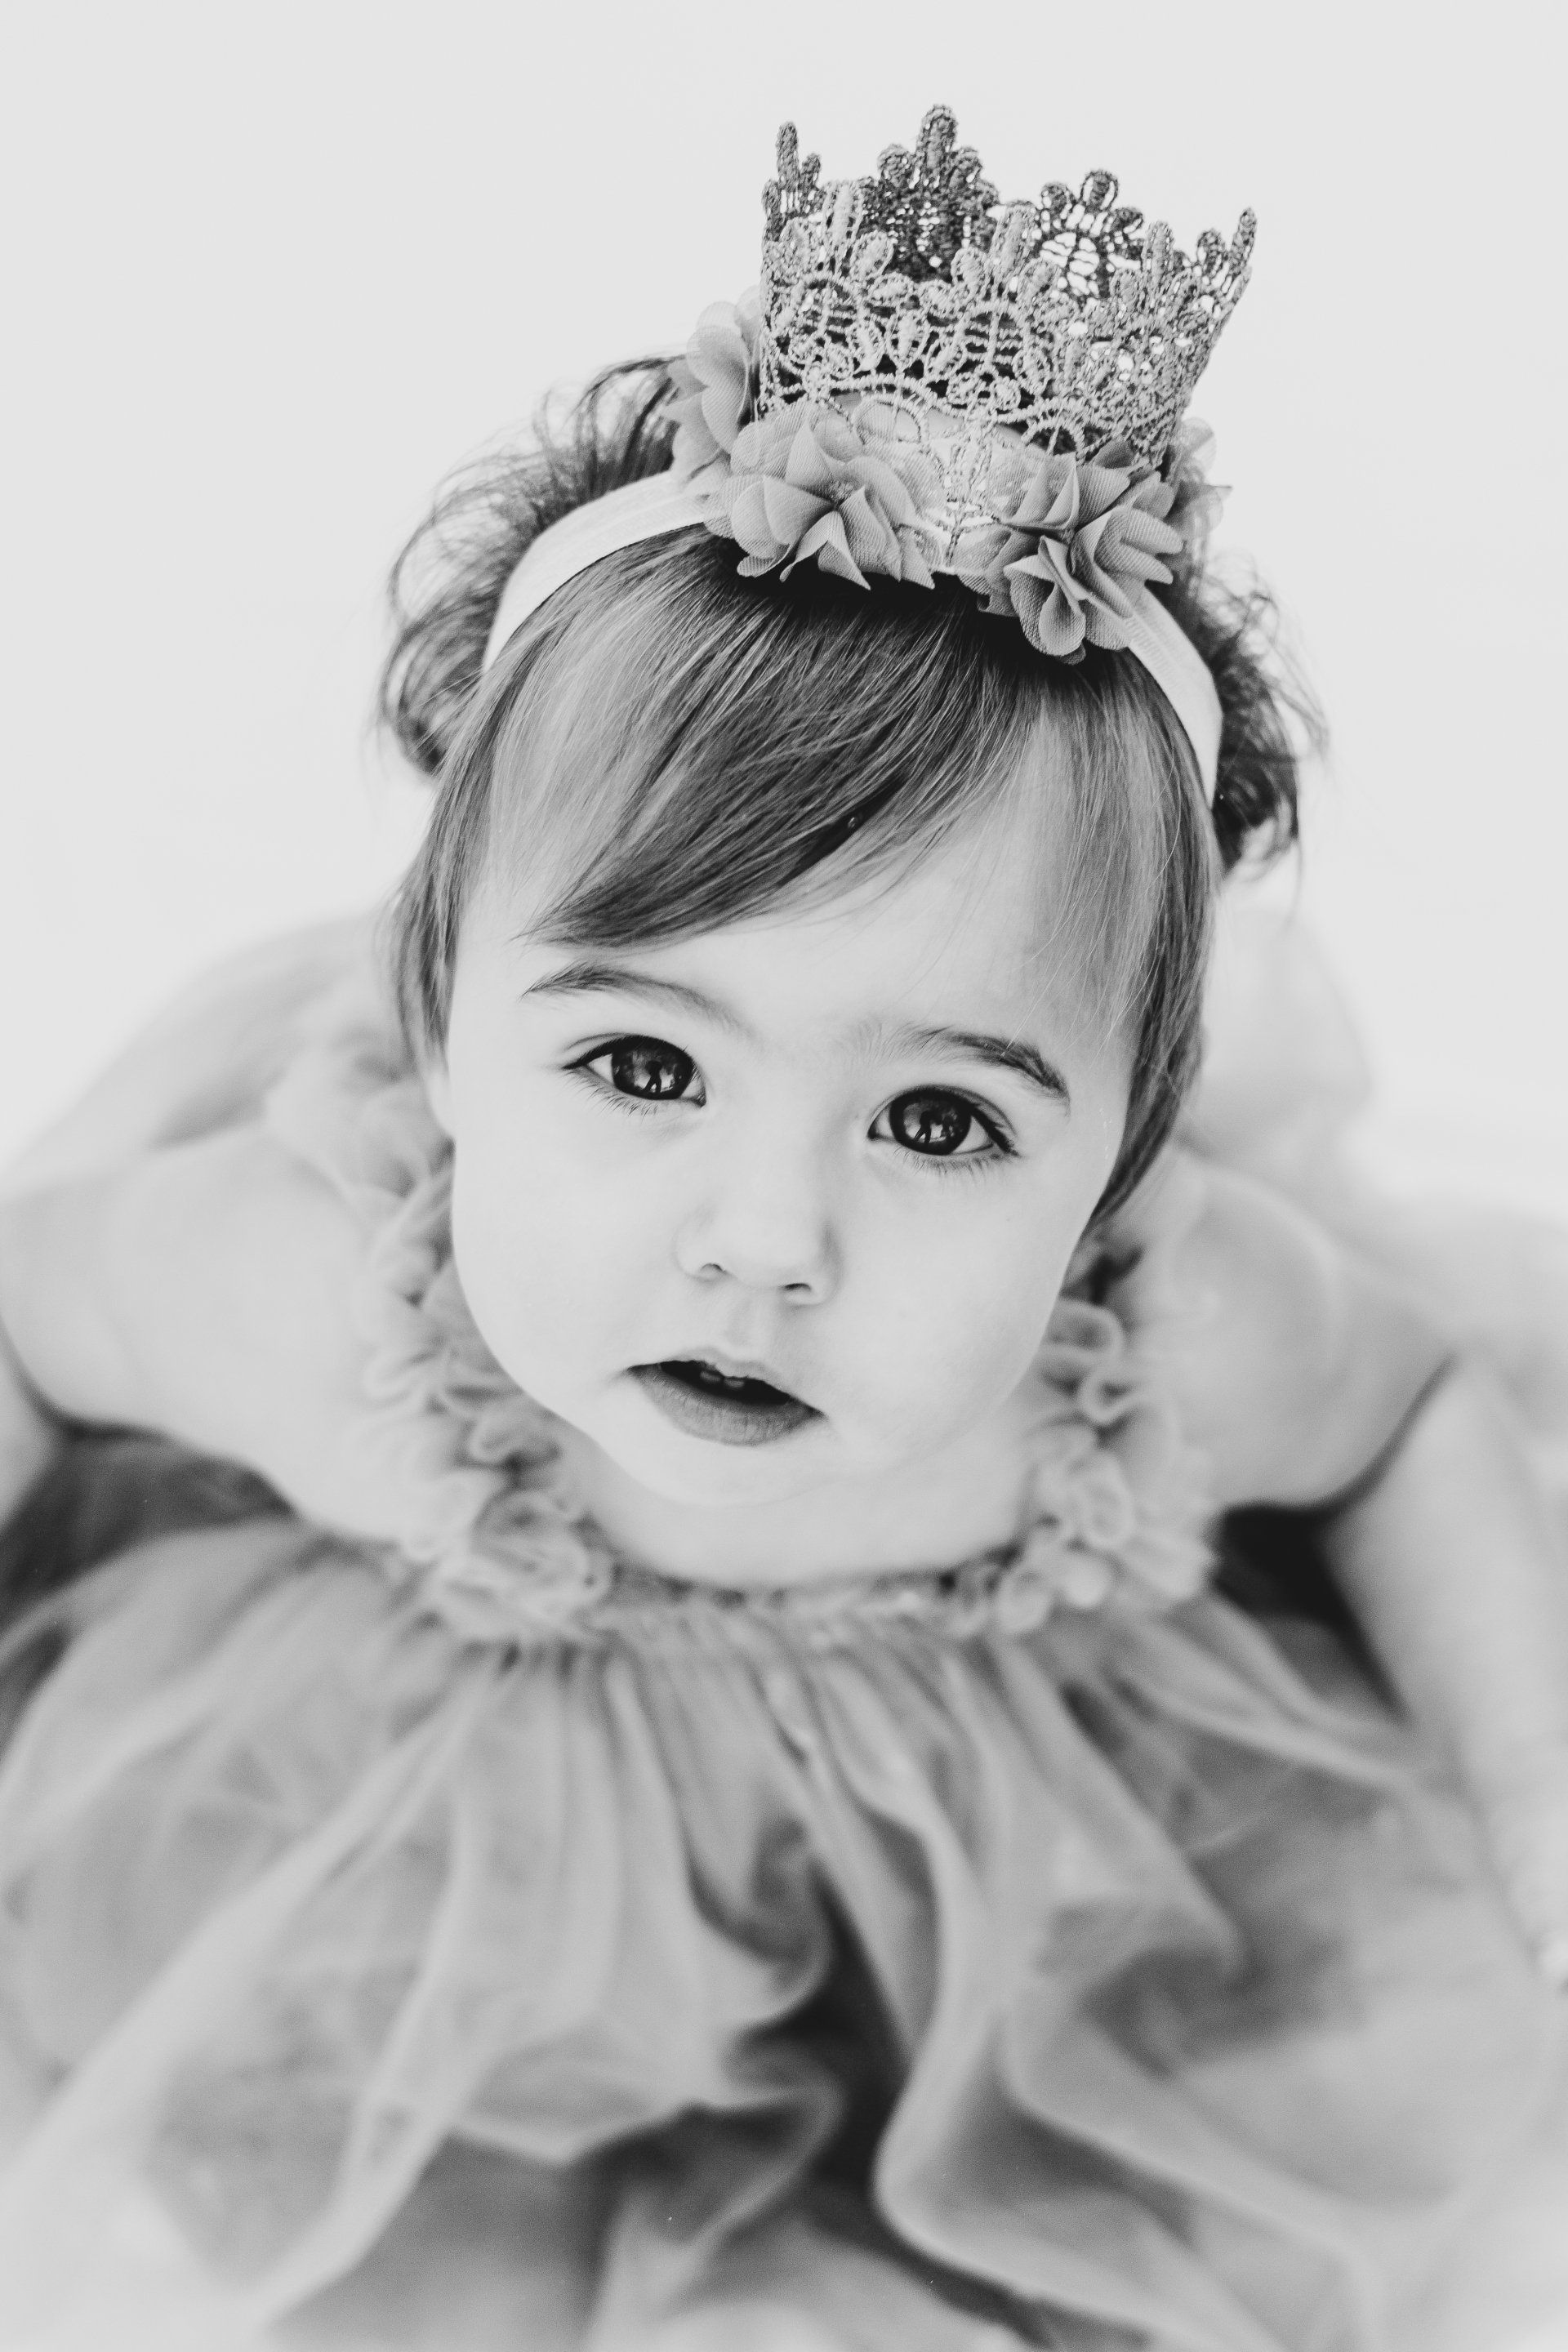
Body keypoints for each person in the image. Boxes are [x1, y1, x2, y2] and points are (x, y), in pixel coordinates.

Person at [0, 106, 1566, 2352]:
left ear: (1119, 1171)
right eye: (643, 1070)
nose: (766, 1239)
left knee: (1147, 2179)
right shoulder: (302, 1301)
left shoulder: (1172, 1336)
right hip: (465, 1924)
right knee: (413, 2260)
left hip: (1013, 1913)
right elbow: (31, 1312)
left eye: (940, 1120)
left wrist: (1537, 1802)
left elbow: (1411, 1411)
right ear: (442, 1037)